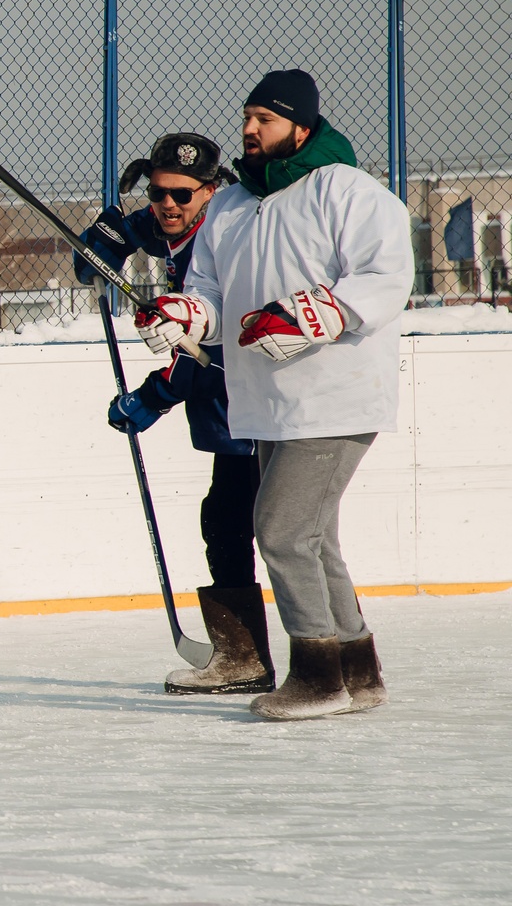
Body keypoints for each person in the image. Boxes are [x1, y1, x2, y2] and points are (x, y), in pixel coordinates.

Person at [135, 69, 413, 720]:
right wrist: (184, 314)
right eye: (247, 116)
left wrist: (313, 314)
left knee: (281, 532)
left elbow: (385, 273)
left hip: (336, 396)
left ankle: (317, 677)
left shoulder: (346, 191)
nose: (249, 128)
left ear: (302, 124)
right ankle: (357, 670)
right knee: (312, 537)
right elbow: (207, 287)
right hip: (265, 403)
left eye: (264, 118)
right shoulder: (231, 206)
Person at [75, 133, 269, 693]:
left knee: (274, 532)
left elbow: (211, 350)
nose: (168, 205)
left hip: (257, 407)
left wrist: (151, 398)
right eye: (159, 192)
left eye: (183, 195)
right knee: (230, 524)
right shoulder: (182, 226)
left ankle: (313, 656)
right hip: (232, 416)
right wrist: (102, 247)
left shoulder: (227, 241)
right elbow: (119, 246)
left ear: (212, 192)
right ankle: (247, 658)